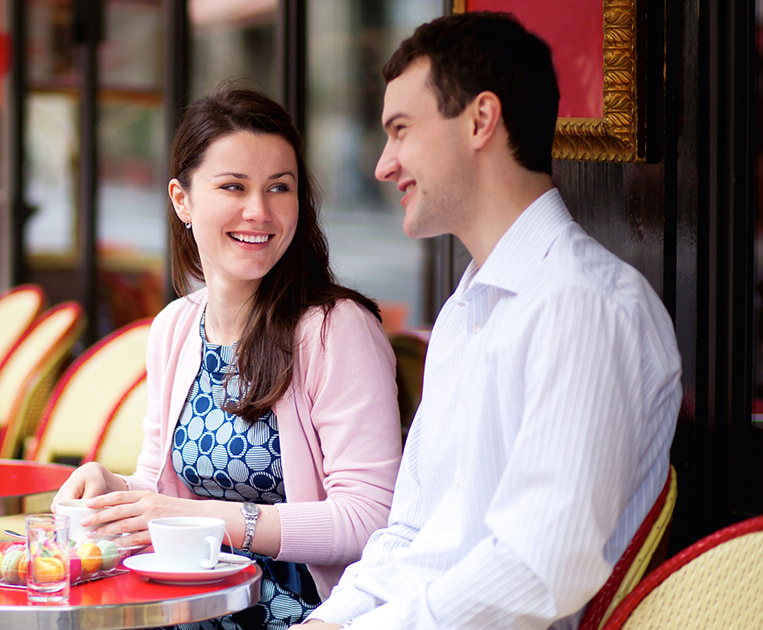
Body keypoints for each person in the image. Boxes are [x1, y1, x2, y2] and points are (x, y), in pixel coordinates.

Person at [296, 12, 682, 630]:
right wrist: (327, 622)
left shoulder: (583, 304)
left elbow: (537, 572)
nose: (383, 164)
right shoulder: (465, 310)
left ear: (480, 120)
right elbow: (409, 535)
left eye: (401, 130)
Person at [52, 85, 404, 629]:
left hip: (303, 614)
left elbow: (370, 519)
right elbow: (162, 490)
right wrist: (112, 488)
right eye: (233, 186)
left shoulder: (335, 330)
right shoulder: (175, 327)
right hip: (184, 601)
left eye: (279, 188)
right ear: (182, 201)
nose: (259, 211)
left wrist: (210, 520)